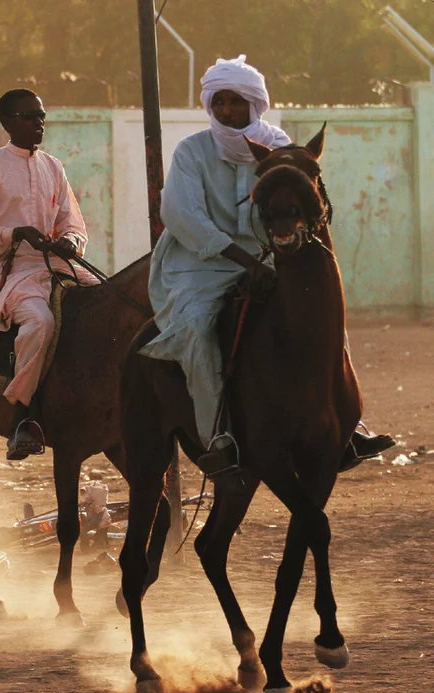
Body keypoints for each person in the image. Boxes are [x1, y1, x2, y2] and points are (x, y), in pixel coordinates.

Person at [139, 55, 392, 479]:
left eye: (234, 102)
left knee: (323, 316)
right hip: (200, 266)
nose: (224, 111)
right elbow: (182, 215)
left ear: (254, 104)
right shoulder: (193, 152)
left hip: (268, 261)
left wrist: (271, 257)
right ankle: (219, 437)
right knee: (199, 330)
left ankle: (345, 428)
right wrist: (241, 259)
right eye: (216, 102)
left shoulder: (281, 146)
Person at [0, 88, 94, 460]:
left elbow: (74, 224)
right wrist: (12, 234)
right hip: (6, 272)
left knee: (108, 303)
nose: (39, 122)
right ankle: (23, 417)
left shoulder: (53, 168)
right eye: (30, 116)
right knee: (39, 323)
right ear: (7, 122)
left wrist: (69, 240)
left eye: (42, 116)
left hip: (56, 266)